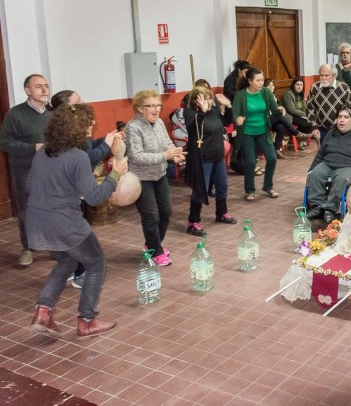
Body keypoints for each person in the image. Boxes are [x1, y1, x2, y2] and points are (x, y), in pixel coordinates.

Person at [26, 104, 128, 339]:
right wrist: (115, 174)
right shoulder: (78, 156)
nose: (91, 127)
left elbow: (30, 186)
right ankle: (87, 321)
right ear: (76, 128)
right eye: (88, 124)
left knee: (67, 262)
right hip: (65, 224)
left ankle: (43, 310)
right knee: (96, 263)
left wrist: (72, 185)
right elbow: (95, 198)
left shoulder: (43, 152)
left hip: (37, 222)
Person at [125, 90, 184, 266]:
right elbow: (136, 156)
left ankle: (151, 243)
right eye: (151, 105)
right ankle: (155, 251)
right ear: (139, 108)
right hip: (141, 178)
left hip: (160, 174)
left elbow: (167, 143)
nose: (156, 109)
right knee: (151, 216)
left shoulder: (158, 123)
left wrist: (175, 154)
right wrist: (165, 155)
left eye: (158, 105)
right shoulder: (133, 127)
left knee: (166, 212)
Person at [0, 74, 52, 266]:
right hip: (25, 170)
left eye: (46, 86)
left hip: (50, 170)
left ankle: (53, 244)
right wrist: (32, 148)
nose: (44, 90)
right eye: (39, 86)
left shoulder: (52, 114)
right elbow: (5, 142)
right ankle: (28, 247)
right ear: (27, 90)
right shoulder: (15, 114)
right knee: (27, 210)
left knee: (52, 207)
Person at [183, 86, 237, 236]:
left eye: (209, 97)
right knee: (200, 191)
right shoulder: (190, 113)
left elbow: (226, 120)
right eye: (204, 98)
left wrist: (228, 105)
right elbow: (193, 128)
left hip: (218, 156)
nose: (208, 101)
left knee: (222, 186)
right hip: (202, 158)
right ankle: (193, 222)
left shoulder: (213, 111)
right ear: (195, 100)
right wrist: (202, 112)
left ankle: (221, 213)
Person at [305, 106, 351, 224]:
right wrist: (310, 170)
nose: (341, 120)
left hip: (348, 166)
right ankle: (317, 207)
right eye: (340, 117)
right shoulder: (331, 133)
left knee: (341, 179)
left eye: (346, 117)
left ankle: (330, 209)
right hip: (327, 163)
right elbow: (320, 154)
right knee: (315, 174)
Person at [233, 68, 281, 200]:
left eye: (262, 80)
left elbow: (274, 109)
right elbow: (235, 114)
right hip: (247, 133)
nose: (261, 83)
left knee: (272, 158)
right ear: (250, 81)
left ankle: (268, 187)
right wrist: (238, 119)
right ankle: (249, 190)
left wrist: (281, 110)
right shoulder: (241, 94)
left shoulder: (265, 92)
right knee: (250, 162)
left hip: (263, 131)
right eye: (258, 80)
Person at [307, 64, 351, 143]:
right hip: (321, 129)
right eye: (321, 75)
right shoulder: (314, 88)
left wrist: (340, 118)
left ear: (334, 76)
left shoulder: (343, 87)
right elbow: (310, 108)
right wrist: (313, 127)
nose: (323, 78)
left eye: (326, 75)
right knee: (325, 153)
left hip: (340, 128)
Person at [264, 78, 311, 158]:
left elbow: (304, 107)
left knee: (281, 127)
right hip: (266, 119)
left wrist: (307, 114)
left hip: (274, 119)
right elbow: (290, 110)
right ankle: (297, 133)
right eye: (269, 86)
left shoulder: (273, 96)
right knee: (280, 115)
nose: (271, 87)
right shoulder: (264, 96)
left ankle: (276, 150)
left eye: (272, 85)